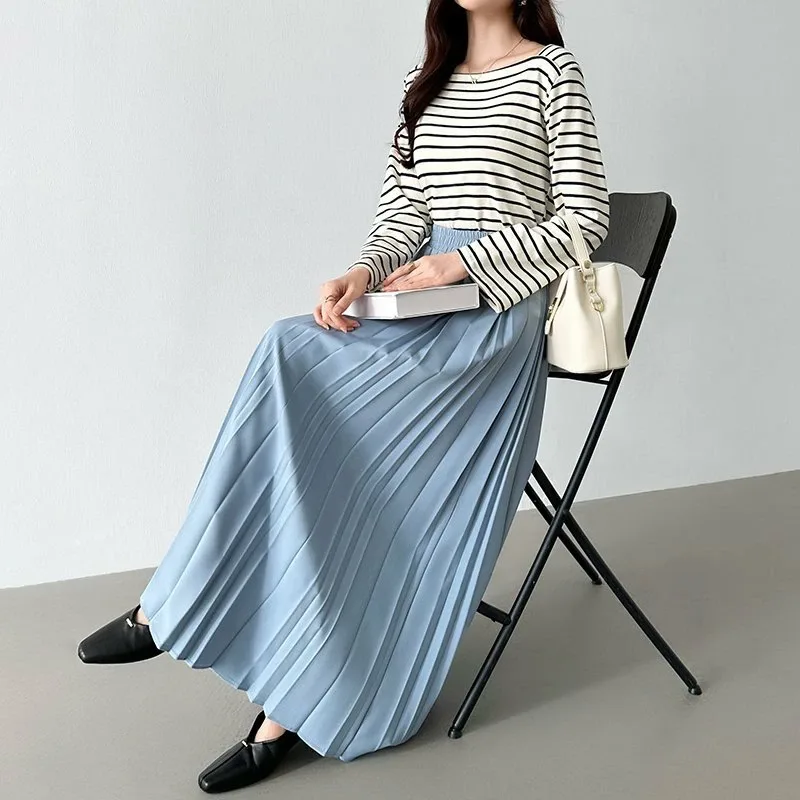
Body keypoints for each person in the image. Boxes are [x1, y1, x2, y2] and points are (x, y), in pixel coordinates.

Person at [77, 0, 610, 793]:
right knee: (287, 347)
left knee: (318, 408)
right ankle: (182, 605)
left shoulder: (551, 73)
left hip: (491, 327)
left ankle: (262, 683)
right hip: (421, 305)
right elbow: (407, 213)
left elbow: (585, 219)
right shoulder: (426, 81)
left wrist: (464, 264)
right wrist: (364, 271)